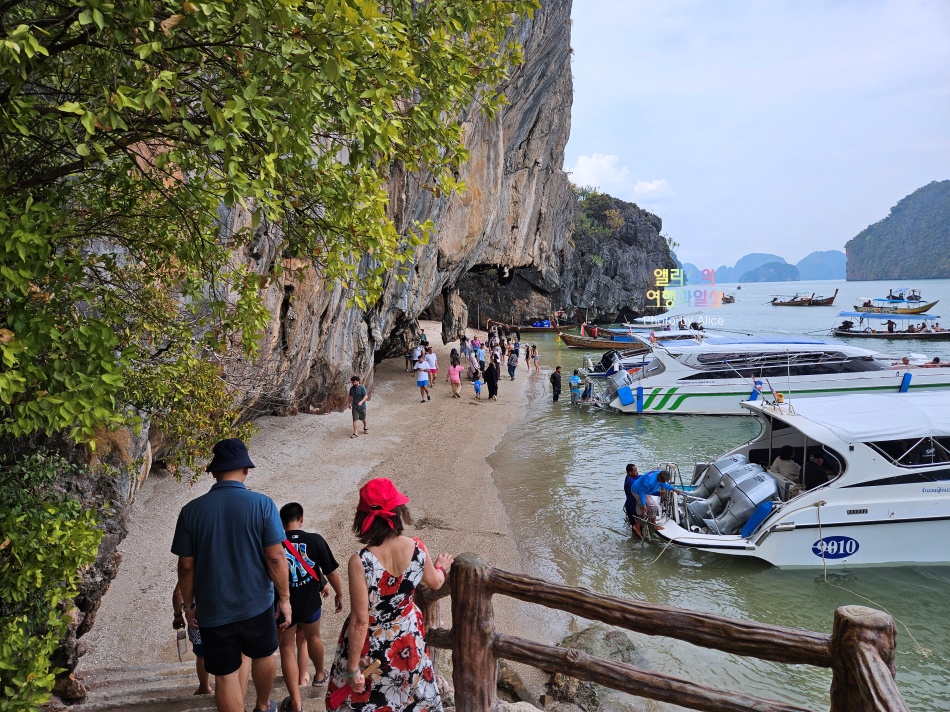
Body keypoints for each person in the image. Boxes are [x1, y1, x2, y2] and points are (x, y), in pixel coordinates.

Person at [171, 438, 291, 712]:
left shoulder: (190, 512)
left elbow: (186, 566)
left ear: (214, 472)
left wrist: (189, 606)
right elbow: (275, 557)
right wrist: (284, 598)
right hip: (257, 603)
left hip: (214, 609)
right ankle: (263, 706)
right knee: (262, 654)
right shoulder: (263, 505)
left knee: (224, 674)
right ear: (246, 470)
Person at [326, 479, 452, 712]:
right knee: (408, 697)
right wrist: (441, 566)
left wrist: (353, 669)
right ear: (398, 512)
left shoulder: (361, 561)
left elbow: (360, 620)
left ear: (363, 518)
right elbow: (436, 582)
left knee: (369, 701)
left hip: (372, 645)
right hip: (407, 637)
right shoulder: (416, 546)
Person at [277, 503, 343, 712]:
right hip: (310, 603)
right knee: (312, 638)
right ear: (302, 518)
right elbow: (330, 570)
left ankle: (296, 701)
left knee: (287, 647)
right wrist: (339, 593)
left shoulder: (274, 544)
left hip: (283, 605)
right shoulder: (314, 540)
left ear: (281, 522)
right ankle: (319, 676)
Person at [623, 465, 689, 539]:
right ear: (660, 478)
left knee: (647, 508)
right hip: (637, 491)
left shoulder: (659, 473)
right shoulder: (650, 482)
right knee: (651, 506)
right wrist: (644, 504)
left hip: (642, 489)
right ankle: (652, 525)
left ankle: (638, 525)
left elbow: (664, 485)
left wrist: (674, 489)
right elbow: (642, 491)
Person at [172, 582, 213, 696]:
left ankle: (204, 687)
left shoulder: (192, 565)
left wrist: (178, 615)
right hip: (224, 614)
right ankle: (231, 686)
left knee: (202, 655)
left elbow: (177, 594)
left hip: (197, 620)